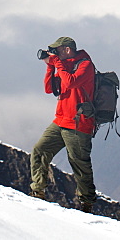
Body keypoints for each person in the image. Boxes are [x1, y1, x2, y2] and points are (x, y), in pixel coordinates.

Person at [29, 36, 97, 213]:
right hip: (61, 120)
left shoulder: (85, 65)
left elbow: (71, 82)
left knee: (79, 163)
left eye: (57, 51)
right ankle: (38, 190)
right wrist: (50, 66)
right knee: (40, 150)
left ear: (67, 49)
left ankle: (86, 203)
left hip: (78, 123)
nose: (55, 54)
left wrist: (57, 63)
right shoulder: (63, 66)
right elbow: (49, 89)